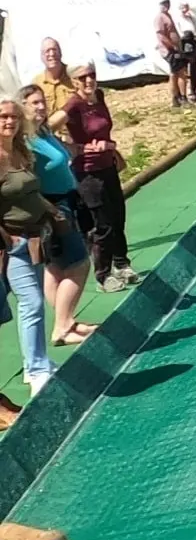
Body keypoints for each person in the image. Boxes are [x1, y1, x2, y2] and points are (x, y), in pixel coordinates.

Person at [19, 85, 96, 347]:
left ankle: (67, 320)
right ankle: (62, 327)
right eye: (34, 103)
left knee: (54, 268)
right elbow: (27, 181)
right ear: (23, 107)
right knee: (79, 264)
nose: (40, 107)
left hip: (66, 201)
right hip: (52, 207)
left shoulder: (43, 132)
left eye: (42, 102)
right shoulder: (26, 143)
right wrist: (49, 210)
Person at [0, 99, 60, 395]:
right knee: (32, 303)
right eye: (2, 117)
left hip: (36, 238)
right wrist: (7, 240)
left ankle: (38, 362)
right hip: (13, 243)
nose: (8, 122)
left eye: (12, 117)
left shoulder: (21, 151)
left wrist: (53, 212)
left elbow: (31, 191)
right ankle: (36, 370)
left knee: (34, 302)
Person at [62, 64, 136, 293]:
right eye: (82, 77)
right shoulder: (73, 104)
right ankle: (103, 276)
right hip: (88, 173)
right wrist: (79, 148)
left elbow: (105, 133)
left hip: (108, 166)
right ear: (73, 81)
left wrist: (110, 146)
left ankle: (122, 263)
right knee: (102, 224)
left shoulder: (100, 95)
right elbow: (46, 126)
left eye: (91, 75)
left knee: (118, 216)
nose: (88, 80)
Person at [32, 38, 77, 132]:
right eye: (47, 51)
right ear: (42, 56)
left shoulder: (74, 76)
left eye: (54, 50)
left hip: (75, 136)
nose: (52, 54)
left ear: (61, 53)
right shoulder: (37, 83)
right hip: (49, 136)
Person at [156, 0, 188, 107]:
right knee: (180, 72)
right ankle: (181, 97)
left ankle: (178, 97)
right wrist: (172, 46)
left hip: (174, 48)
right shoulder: (159, 18)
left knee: (176, 73)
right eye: (164, 3)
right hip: (170, 50)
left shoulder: (167, 15)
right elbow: (161, 36)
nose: (166, 5)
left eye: (167, 3)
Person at [177, 3, 196, 104]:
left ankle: (193, 91)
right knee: (183, 70)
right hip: (183, 43)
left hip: (192, 41)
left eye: (186, 7)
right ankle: (182, 94)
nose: (184, 10)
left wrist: (195, 36)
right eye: (182, 7)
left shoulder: (192, 17)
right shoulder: (178, 19)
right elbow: (178, 32)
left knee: (194, 68)